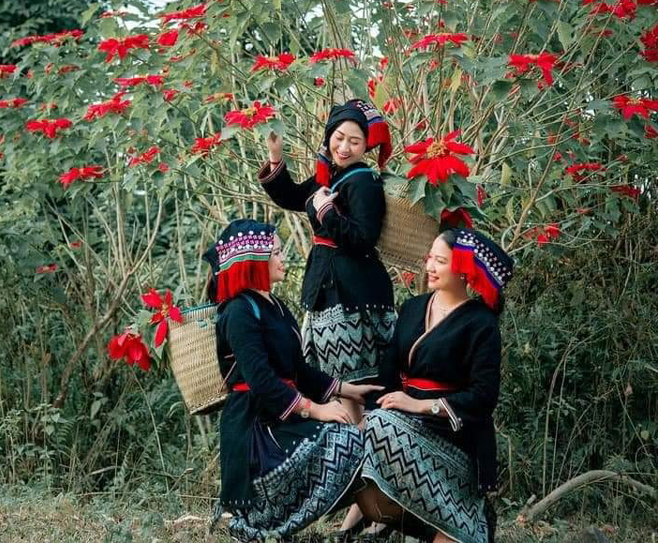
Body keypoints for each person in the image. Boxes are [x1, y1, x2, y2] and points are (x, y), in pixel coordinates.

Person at [259, 98, 396, 535]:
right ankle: (367, 505)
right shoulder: (329, 176)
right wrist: (276, 157)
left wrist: (327, 214)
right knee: (345, 400)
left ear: (366, 146)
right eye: (339, 138)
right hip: (327, 294)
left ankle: (375, 506)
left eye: (355, 141)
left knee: (360, 400)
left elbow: (363, 238)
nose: (344, 146)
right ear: (329, 137)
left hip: (355, 300)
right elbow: (290, 196)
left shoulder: (363, 182)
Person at [203, 218, 382, 542]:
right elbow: (262, 381)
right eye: (276, 253)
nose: (283, 258)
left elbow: (299, 370)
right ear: (254, 262)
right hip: (255, 429)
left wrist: (349, 390)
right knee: (346, 442)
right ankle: (258, 524)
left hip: (280, 415)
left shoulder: (275, 306)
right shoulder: (239, 312)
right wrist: (316, 409)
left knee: (361, 437)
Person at [356, 228, 515, 543]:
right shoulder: (413, 307)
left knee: (379, 425)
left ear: (463, 269)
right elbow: (388, 374)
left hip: (453, 432)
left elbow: (483, 396)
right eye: (430, 258)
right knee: (356, 434)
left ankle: (462, 521)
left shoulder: (481, 323)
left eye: (440, 261)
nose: (429, 266)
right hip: (403, 421)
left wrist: (422, 405)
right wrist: (367, 413)